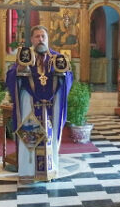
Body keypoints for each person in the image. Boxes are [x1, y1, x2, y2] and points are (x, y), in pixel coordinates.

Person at [6, 25, 73, 182]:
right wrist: (20, 69)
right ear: (32, 39)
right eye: (37, 36)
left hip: (51, 108)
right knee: (29, 139)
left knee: (50, 138)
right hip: (30, 107)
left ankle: (50, 170)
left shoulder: (57, 58)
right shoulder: (24, 56)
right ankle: (28, 172)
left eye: (43, 36)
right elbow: (11, 76)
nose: (40, 39)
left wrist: (63, 75)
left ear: (48, 39)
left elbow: (69, 78)